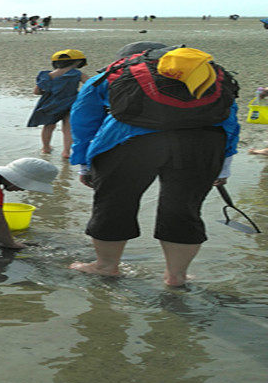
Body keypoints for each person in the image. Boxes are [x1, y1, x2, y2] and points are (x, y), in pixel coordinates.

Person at [69, 43, 240, 286]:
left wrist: (84, 164)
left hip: (129, 142)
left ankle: (105, 266)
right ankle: (176, 276)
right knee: (184, 209)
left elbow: (83, 118)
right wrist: (224, 166)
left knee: (114, 204)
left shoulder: (116, 72)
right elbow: (229, 120)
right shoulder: (206, 73)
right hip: (202, 144)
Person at [27, 50, 90, 158]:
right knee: (68, 127)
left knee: (49, 126)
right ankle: (66, 152)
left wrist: (47, 92)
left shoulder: (47, 75)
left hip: (50, 104)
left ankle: (46, 148)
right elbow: (91, 85)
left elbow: (36, 92)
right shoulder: (78, 74)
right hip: (70, 102)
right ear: (78, 62)